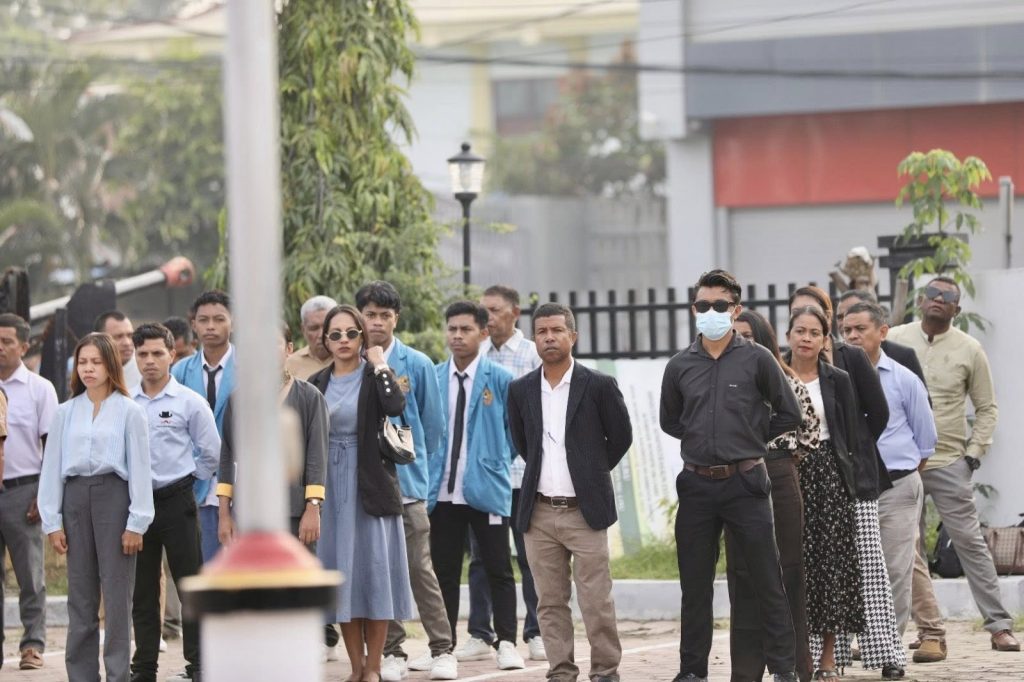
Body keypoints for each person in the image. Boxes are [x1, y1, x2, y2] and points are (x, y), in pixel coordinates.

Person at [659, 269, 801, 682]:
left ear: (735, 310)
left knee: (767, 579)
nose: (711, 311)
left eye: (720, 305)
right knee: (695, 585)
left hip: (746, 483)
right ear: (694, 309)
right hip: (697, 485)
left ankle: (784, 669)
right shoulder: (679, 365)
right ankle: (692, 671)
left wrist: (749, 439)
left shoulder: (757, 359)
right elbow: (671, 420)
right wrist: (705, 440)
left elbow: (789, 413)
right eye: (703, 305)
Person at [887, 277, 1019, 655]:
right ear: (920, 300)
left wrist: (973, 454)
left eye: (947, 297)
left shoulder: (970, 349)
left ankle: (999, 626)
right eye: (932, 294)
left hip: (948, 461)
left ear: (956, 310)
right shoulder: (894, 339)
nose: (938, 300)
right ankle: (910, 631)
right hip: (902, 463)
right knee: (902, 550)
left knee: (970, 545)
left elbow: (987, 407)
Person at [507, 302, 632, 682]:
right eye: (542, 331)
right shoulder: (520, 390)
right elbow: (523, 443)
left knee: (596, 599)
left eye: (557, 330)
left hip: (585, 510)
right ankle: (560, 670)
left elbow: (621, 437)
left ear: (572, 336)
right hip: (539, 512)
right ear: (534, 338)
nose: (549, 337)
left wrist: (590, 472)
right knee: (549, 601)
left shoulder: (598, 385)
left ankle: (605, 671)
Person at [789, 287, 904, 675]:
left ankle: (882, 654)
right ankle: (815, 658)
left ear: (827, 326)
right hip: (795, 473)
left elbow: (877, 414)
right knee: (806, 565)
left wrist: (851, 446)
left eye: (815, 323)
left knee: (860, 567)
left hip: (845, 475)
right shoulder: (776, 368)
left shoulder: (847, 361)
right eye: (799, 322)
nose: (807, 332)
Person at [38, 332, 154, 682]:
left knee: (117, 597)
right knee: (80, 596)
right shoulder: (64, 412)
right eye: (82, 362)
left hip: (114, 499)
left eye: (96, 362)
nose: (88, 369)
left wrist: (137, 522)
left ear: (110, 365)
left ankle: (118, 674)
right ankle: (82, 675)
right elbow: (51, 467)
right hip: (74, 499)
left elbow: (140, 468)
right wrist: (52, 522)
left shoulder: (130, 411)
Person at [354, 282, 455, 681]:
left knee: (419, 569)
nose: (377, 322)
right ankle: (391, 651)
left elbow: (434, 428)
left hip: (409, 487)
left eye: (385, 315)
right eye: (370, 315)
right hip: (367, 487)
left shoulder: (417, 363)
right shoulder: (351, 361)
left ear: (396, 318)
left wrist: (421, 478)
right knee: (379, 570)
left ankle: (442, 649)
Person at [308, 304, 413, 682]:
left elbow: (395, 405)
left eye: (351, 333)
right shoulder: (317, 382)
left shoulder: (374, 375)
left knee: (375, 572)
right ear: (325, 340)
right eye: (335, 334)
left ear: (362, 337)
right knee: (343, 575)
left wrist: (380, 362)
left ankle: (374, 666)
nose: (343, 340)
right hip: (330, 484)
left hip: (370, 481)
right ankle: (355, 667)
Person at [430, 301, 524, 671]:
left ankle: (507, 642)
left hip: (486, 489)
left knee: (499, 568)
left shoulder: (500, 379)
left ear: (483, 333)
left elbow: (515, 434)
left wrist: (493, 461)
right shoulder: (435, 376)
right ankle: (443, 648)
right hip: (442, 492)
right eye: (452, 328)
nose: (457, 336)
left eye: (466, 329)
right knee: (444, 572)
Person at [726, 310, 818, 682]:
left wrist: (775, 458)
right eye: (735, 334)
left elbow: (809, 434)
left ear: (763, 340)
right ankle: (746, 671)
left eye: (748, 335)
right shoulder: (721, 380)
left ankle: (794, 667)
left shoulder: (786, 379)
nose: (739, 341)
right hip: (734, 480)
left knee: (787, 572)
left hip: (779, 476)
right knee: (742, 574)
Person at [128, 323, 219, 682]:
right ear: (135, 357)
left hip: (177, 500)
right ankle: (144, 668)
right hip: (137, 506)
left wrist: (190, 481)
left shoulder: (188, 402)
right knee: (143, 590)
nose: (149, 361)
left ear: (172, 354)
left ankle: (199, 665)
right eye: (142, 354)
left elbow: (211, 452)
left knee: (189, 584)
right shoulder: (125, 402)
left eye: (157, 353)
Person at [460, 285, 545, 665]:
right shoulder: (475, 356)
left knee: (531, 557)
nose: (488, 317)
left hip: (525, 474)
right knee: (482, 558)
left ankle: (537, 632)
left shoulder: (532, 354)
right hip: (485, 478)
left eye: (494, 310)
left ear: (515, 313)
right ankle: (480, 632)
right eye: (484, 311)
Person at [841, 302, 937, 641]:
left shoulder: (904, 379)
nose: (852, 336)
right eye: (846, 330)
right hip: (852, 487)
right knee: (854, 566)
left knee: (896, 567)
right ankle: (854, 639)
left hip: (898, 485)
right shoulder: (834, 379)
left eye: (860, 329)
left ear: (882, 332)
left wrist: (899, 473)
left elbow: (926, 441)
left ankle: (887, 644)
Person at [785, 306, 865, 680]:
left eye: (814, 332)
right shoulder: (773, 373)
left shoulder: (838, 380)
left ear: (824, 340)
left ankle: (828, 659)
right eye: (799, 330)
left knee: (829, 566)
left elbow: (852, 434)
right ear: (788, 336)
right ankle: (789, 658)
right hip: (785, 471)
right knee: (791, 563)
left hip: (828, 476)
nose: (806, 338)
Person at [218, 323, 328, 547]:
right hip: (250, 511)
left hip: (293, 510)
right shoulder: (238, 399)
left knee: (295, 570)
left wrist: (313, 508)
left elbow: (317, 457)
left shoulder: (310, 397)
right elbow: (228, 455)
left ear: (289, 349)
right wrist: (224, 514)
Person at [0, 313, 58, 671]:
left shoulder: (40, 389)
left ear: (23, 346)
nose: (0, 347)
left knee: (30, 576)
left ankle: (33, 645)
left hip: (24, 492)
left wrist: (43, 493)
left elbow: (51, 445)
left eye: (6, 341)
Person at [171, 290, 236, 563]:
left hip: (239, 477)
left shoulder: (251, 367)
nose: (211, 326)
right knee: (203, 560)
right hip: (195, 480)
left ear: (233, 321)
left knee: (240, 562)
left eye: (219, 319)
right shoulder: (179, 371)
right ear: (193, 324)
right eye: (204, 320)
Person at [835, 290, 925, 387]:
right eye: (840, 317)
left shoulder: (902, 359)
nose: (846, 320)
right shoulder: (833, 358)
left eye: (856, 310)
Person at [286, 295, 338, 380]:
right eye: (314, 328)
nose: (321, 335)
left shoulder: (351, 359)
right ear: (303, 330)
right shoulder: (290, 365)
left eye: (327, 327)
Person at [95, 311, 143, 388]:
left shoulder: (145, 374)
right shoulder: (86, 371)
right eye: (118, 337)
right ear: (99, 340)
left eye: (130, 335)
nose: (127, 343)